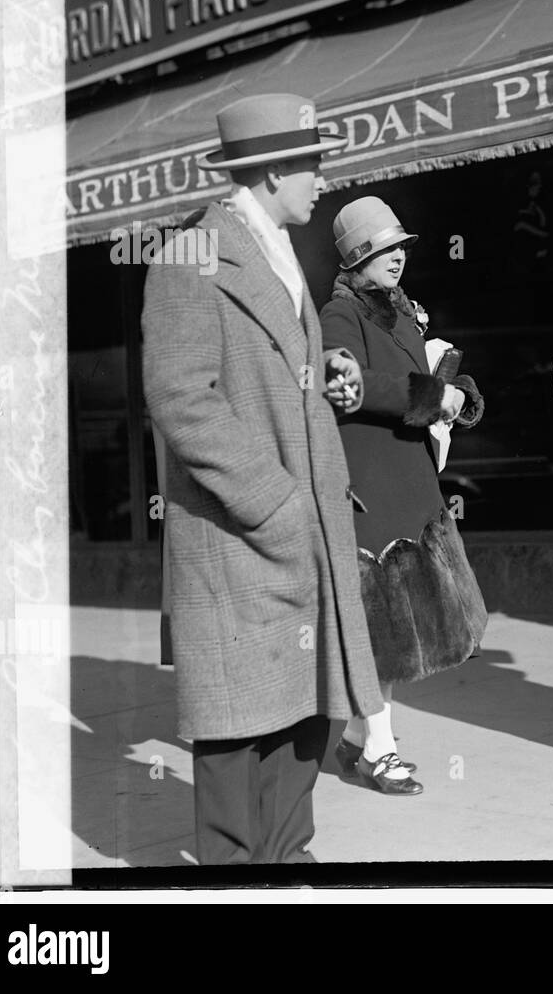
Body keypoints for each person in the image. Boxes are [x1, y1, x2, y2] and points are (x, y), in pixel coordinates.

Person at [142, 93, 384, 864]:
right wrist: (274, 502)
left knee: (303, 708)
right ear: (275, 168)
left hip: (293, 532)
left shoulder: (276, 244)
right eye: (313, 163)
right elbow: (182, 397)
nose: (322, 178)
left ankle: (287, 862)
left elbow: (272, 366)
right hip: (242, 533)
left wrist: (328, 375)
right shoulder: (193, 252)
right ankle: (237, 877)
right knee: (237, 724)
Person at [320, 196, 489, 794]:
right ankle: (379, 751)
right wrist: (428, 396)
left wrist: (453, 389)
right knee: (381, 634)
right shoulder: (339, 316)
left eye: (401, 247)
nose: (398, 257)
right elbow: (346, 383)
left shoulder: (397, 311)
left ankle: (351, 743)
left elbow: (418, 372)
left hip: (408, 487)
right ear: (359, 256)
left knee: (390, 632)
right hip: (370, 490)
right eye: (385, 248)